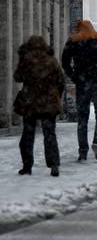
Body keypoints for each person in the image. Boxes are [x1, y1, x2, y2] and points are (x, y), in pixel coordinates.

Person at [62, 19, 97, 162]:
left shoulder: (73, 40)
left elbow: (65, 62)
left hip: (83, 82)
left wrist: (74, 76)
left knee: (82, 118)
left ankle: (83, 152)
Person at [14, 36, 64, 177]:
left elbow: (17, 77)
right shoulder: (52, 61)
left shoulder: (27, 60)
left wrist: (22, 58)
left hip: (31, 102)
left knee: (28, 134)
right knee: (49, 134)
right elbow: (60, 81)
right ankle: (54, 164)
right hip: (49, 103)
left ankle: (27, 166)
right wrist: (56, 96)